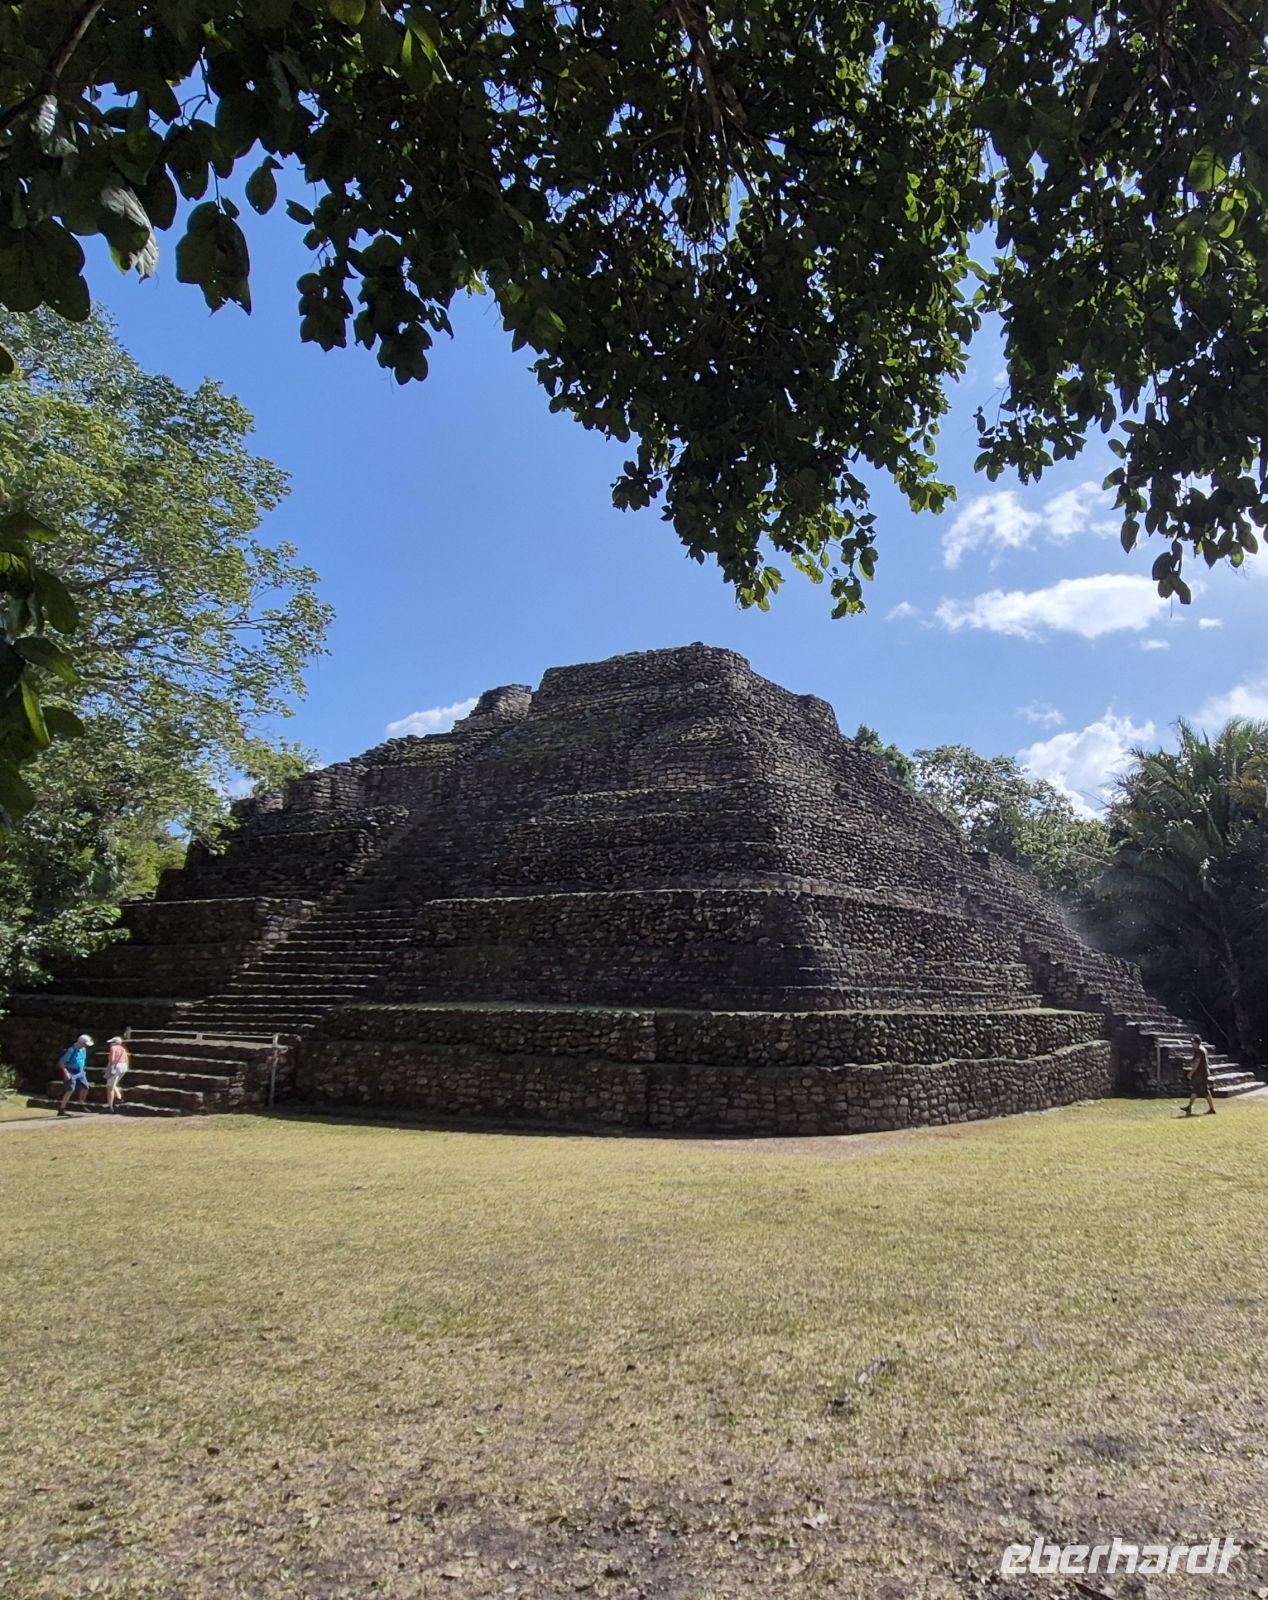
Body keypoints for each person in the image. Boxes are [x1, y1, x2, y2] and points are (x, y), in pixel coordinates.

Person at [57, 1034, 93, 1117]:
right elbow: (61, 1062)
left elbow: (82, 1060)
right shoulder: (71, 1050)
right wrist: (66, 1073)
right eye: (85, 1044)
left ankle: (80, 1104)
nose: (86, 1046)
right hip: (71, 1071)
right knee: (70, 1089)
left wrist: (82, 1070)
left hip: (80, 1071)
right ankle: (62, 1109)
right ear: (80, 1042)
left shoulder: (83, 1050)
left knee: (85, 1087)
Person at [1183, 1035, 1216, 1117]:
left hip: (1201, 1074)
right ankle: (1189, 1107)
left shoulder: (1199, 1051)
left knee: (1205, 1090)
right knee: (1195, 1090)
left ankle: (1212, 1109)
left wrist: (1190, 1073)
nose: (1192, 1044)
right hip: (1201, 1073)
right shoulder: (1201, 1049)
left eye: (1193, 1042)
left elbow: (1197, 1064)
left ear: (1197, 1043)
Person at [104, 1036, 129, 1112]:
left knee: (109, 1087)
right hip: (124, 1067)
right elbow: (126, 1060)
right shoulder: (123, 1049)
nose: (110, 1044)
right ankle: (119, 1098)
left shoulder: (113, 1048)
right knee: (113, 1084)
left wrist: (108, 1069)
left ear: (115, 1043)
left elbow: (112, 1059)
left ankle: (110, 1106)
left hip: (116, 1067)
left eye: (112, 1042)